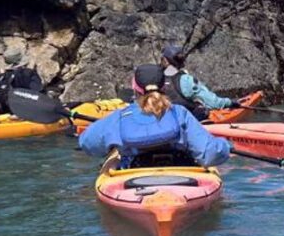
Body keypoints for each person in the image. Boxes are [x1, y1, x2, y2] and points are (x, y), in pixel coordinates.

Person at [78, 64, 231, 169]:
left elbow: (87, 143)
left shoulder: (120, 116)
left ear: (135, 89)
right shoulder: (180, 113)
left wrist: (111, 148)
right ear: (164, 87)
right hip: (181, 173)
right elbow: (210, 154)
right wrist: (225, 145)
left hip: (133, 177)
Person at [161, 42, 235, 118]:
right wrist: (229, 102)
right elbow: (213, 102)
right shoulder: (186, 80)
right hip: (187, 122)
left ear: (165, 60)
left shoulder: (156, 79)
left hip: (164, 121)